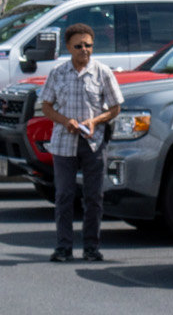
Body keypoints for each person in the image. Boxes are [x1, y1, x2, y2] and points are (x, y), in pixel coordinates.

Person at [38, 22, 124, 262]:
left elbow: (116, 107)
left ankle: (91, 247)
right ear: (68, 47)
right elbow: (46, 106)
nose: (84, 50)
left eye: (88, 45)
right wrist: (65, 121)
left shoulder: (102, 72)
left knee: (94, 197)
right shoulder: (58, 73)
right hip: (64, 143)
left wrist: (96, 121)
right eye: (78, 46)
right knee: (64, 195)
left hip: (93, 142)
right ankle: (64, 247)